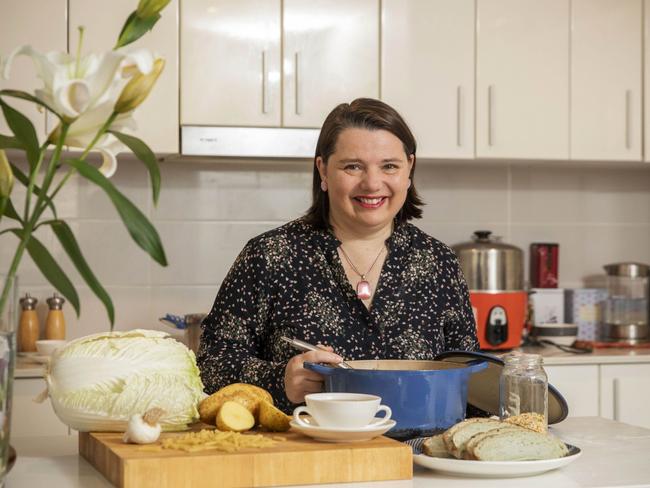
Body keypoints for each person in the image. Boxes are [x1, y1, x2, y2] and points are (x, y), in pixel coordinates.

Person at [197, 98, 479, 413]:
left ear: (409, 170)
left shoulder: (438, 261)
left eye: (389, 166)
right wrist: (280, 380)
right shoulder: (270, 256)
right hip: (305, 456)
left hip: (418, 456)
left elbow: (470, 379)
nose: (372, 183)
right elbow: (210, 367)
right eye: (352, 166)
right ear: (323, 170)